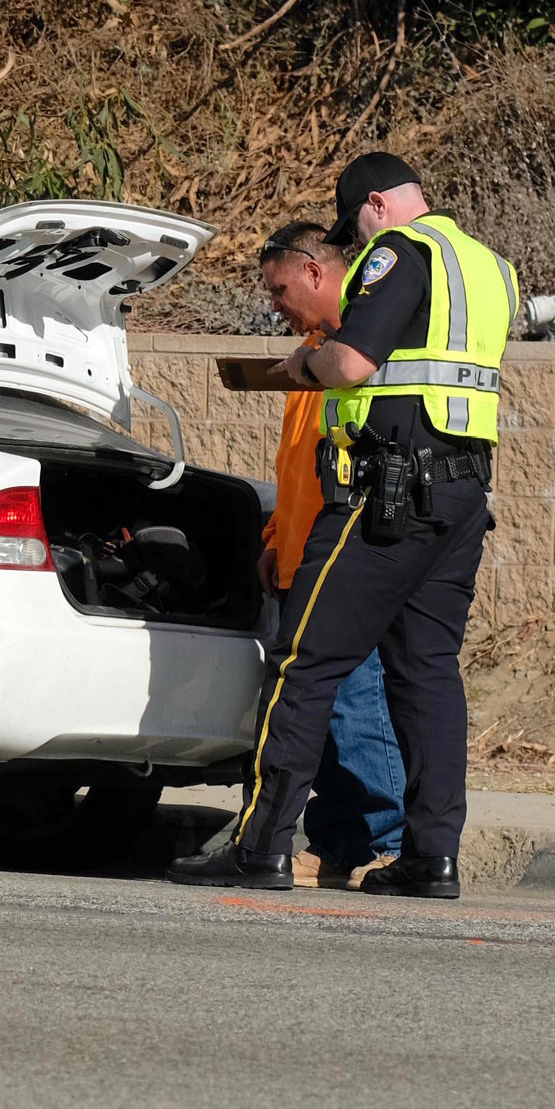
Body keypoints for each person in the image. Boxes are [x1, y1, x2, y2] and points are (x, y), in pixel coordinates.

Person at [172, 153, 515, 897]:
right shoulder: (491, 268)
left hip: (388, 495)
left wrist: (306, 364)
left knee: (304, 660)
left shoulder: (400, 251)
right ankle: (431, 857)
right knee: (428, 672)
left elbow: (354, 362)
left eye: (356, 224)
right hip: (461, 498)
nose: (356, 241)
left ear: (377, 204)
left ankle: (261, 845)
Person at [255, 220, 405, 884]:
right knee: (321, 711)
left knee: (354, 701)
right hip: (300, 559)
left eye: (281, 287)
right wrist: (273, 539)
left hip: (341, 559)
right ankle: (339, 839)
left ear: (316, 271)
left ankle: (383, 838)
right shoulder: (314, 351)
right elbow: (296, 465)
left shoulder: (358, 352)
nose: (275, 303)